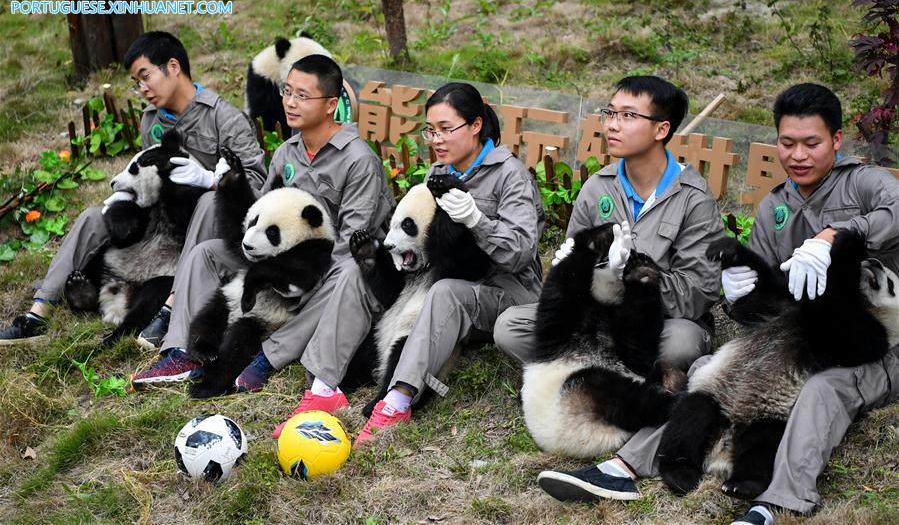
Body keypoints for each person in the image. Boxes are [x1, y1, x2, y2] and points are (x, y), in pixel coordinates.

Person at [538, 83, 899, 525]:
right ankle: (626, 466)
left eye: (812, 143)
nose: (798, 155)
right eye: (787, 143)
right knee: (708, 371)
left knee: (824, 391)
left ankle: (780, 498)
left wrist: (838, 236)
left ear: (837, 140)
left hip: (875, 344)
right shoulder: (775, 207)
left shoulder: (866, 183)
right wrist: (739, 291)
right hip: (797, 335)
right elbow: (761, 306)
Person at [272, 82, 545, 445]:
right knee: (359, 271)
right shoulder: (437, 172)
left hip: (501, 290)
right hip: (437, 279)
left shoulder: (510, 175)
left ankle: (398, 400)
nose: (437, 139)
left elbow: (521, 253)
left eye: (447, 129)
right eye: (431, 130)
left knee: (447, 292)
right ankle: (323, 387)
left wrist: (477, 221)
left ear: (476, 126)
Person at [129, 54, 394, 388]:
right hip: (277, 261)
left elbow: (349, 244)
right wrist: (231, 185)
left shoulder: (358, 161)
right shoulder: (287, 152)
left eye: (302, 96)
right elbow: (255, 217)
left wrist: (298, 278)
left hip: (327, 271)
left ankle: (270, 356)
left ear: (330, 105)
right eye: (287, 92)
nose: (290, 103)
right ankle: (181, 349)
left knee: (348, 270)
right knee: (205, 254)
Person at [0, 31, 265, 345]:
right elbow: (146, 182)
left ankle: (170, 310)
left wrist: (210, 180)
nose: (142, 89)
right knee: (92, 217)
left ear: (173, 66)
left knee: (209, 202)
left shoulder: (225, 119)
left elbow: (257, 190)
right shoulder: (151, 120)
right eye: (136, 82)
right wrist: (125, 197)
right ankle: (38, 312)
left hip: (204, 233)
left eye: (145, 77)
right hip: (159, 232)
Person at [494, 75, 722, 376]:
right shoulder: (597, 188)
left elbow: (698, 292)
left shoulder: (694, 199)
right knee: (510, 327)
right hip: (600, 318)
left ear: (661, 128)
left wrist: (633, 276)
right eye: (610, 113)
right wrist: (574, 272)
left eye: (628, 115)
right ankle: (613, 372)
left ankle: (590, 370)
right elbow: (571, 274)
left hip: (659, 322)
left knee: (681, 343)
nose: (612, 125)